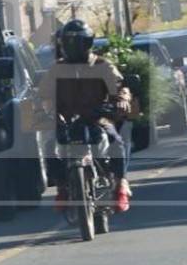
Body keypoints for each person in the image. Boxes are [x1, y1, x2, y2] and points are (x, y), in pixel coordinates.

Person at [34, 20, 137, 213]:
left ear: (88, 42)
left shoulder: (102, 65)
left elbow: (120, 86)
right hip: (66, 120)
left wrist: (122, 100)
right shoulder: (56, 69)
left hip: (97, 117)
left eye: (78, 42)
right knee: (49, 146)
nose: (73, 47)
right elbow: (43, 94)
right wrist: (40, 108)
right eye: (69, 42)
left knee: (116, 141)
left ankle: (121, 184)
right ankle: (62, 187)